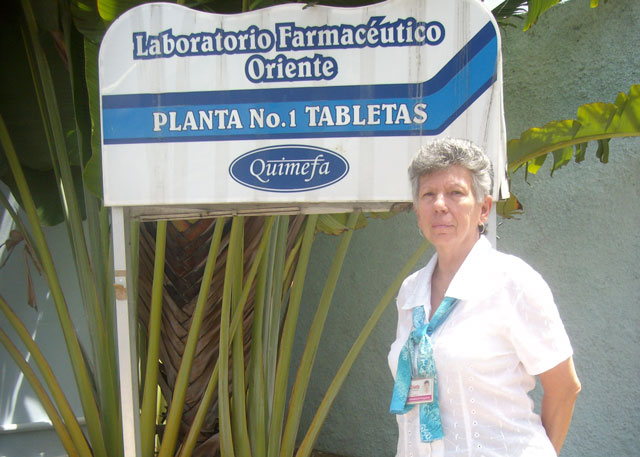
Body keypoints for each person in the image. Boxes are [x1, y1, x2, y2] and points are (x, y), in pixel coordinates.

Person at [388, 138, 581, 457]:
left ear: (484, 209)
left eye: (455, 193)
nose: (439, 205)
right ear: (418, 213)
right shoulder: (411, 291)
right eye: (428, 194)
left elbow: (564, 388)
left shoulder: (512, 282)